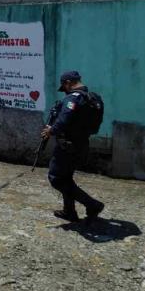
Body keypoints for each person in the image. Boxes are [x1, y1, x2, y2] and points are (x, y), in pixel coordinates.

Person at [41, 70, 105, 223]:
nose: (65, 91)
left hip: (67, 147)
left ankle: (93, 204)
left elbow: (64, 120)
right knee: (66, 178)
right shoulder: (93, 98)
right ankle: (69, 211)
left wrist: (51, 130)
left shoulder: (73, 98)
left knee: (56, 178)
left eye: (65, 87)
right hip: (81, 145)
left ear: (68, 83)